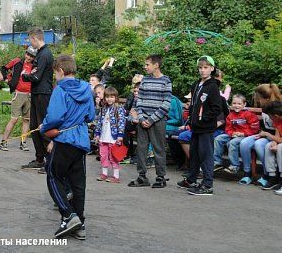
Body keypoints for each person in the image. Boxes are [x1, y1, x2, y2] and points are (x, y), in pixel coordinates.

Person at [40, 54, 94, 239]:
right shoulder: (87, 88)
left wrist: (44, 127)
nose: (55, 77)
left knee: (53, 175)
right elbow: (91, 116)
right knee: (78, 184)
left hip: (64, 139)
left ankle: (68, 215)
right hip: (81, 140)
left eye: (55, 73)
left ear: (61, 71)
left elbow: (55, 117)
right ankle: (80, 225)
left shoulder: (60, 90)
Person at [176, 55, 223, 196]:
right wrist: (191, 118)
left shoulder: (213, 87)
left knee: (205, 155)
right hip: (195, 126)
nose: (203, 70)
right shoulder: (197, 84)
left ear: (212, 69)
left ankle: (208, 185)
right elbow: (194, 105)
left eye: (206, 68)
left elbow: (216, 108)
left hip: (206, 128)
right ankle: (191, 179)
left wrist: (203, 119)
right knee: (194, 154)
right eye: (200, 68)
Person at [128, 54, 171, 188]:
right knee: (141, 149)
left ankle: (160, 177)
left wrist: (151, 119)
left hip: (157, 121)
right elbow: (138, 100)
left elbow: (166, 104)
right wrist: (141, 118)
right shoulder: (145, 80)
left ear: (156, 65)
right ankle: (142, 177)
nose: (145, 67)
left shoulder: (166, 81)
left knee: (158, 149)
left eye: (147, 64)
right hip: (143, 120)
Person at [21, 27, 54, 170]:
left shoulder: (45, 54)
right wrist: (31, 74)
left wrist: (24, 75)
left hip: (43, 94)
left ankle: (50, 161)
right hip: (36, 93)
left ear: (35, 38)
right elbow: (34, 74)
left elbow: (36, 76)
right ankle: (39, 158)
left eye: (30, 40)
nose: (30, 44)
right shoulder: (39, 53)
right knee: (34, 126)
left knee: (43, 126)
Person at [238, 84, 282, 186]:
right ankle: (247, 173)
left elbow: (277, 127)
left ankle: (268, 174)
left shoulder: (277, 107)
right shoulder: (264, 106)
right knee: (244, 143)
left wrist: (274, 140)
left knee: (259, 145)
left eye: (258, 98)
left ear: (264, 98)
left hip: (273, 136)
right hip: (264, 134)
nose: (257, 101)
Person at [0, 46, 36, 152]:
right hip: (18, 94)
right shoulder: (17, 61)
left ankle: (23, 143)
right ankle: (3, 142)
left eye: (31, 56)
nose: (29, 57)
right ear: (25, 53)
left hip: (29, 95)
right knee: (14, 119)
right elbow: (4, 68)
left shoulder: (34, 66)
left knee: (26, 120)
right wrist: (7, 80)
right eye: (28, 54)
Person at [213, 94, 259, 174]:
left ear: (244, 104)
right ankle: (217, 162)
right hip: (233, 134)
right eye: (234, 103)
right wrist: (232, 133)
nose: (236, 105)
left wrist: (243, 133)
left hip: (245, 136)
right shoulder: (230, 115)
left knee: (232, 143)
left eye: (239, 104)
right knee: (218, 138)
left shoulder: (249, 115)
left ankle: (234, 166)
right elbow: (228, 128)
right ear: (231, 104)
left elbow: (254, 128)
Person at [94, 87, 126, 183]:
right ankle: (104, 173)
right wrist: (97, 133)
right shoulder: (103, 109)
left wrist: (120, 135)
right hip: (103, 137)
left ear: (116, 98)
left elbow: (121, 122)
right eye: (107, 97)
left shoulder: (119, 109)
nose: (109, 99)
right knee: (103, 155)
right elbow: (99, 121)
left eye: (112, 97)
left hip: (113, 137)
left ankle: (116, 176)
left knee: (113, 157)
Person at [261, 101, 282, 193]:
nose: (270, 118)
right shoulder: (277, 121)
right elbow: (278, 137)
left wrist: (267, 134)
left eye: (270, 116)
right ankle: (272, 176)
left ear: (276, 116)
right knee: (268, 146)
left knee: (281, 147)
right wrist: (274, 141)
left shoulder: (277, 119)